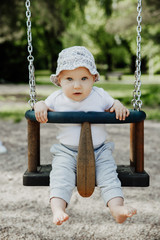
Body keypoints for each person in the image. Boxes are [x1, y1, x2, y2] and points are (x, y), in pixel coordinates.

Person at [34, 46, 137, 225]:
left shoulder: (100, 95)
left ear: (93, 78)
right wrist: (40, 105)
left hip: (100, 151)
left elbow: (114, 104)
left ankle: (117, 208)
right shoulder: (56, 98)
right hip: (66, 152)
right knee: (60, 177)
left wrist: (118, 105)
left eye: (84, 78)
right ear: (59, 80)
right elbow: (42, 105)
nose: (77, 85)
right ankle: (58, 209)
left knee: (109, 177)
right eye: (69, 79)